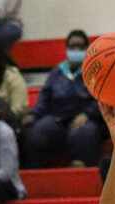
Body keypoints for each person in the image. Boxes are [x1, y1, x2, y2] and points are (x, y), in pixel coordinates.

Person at [21, 31, 103, 168]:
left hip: (85, 118)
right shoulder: (57, 71)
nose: (76, 50)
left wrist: (88, 114)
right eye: (72, 47)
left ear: (87, 49)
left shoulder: (95, 71)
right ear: (67, 49)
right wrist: (33, 115)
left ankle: (80, 170)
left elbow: (102, 99)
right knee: (38, 131)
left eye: (80, 47)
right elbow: (44, 97)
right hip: (57, 117)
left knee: (84, 133)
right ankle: (40, 171)